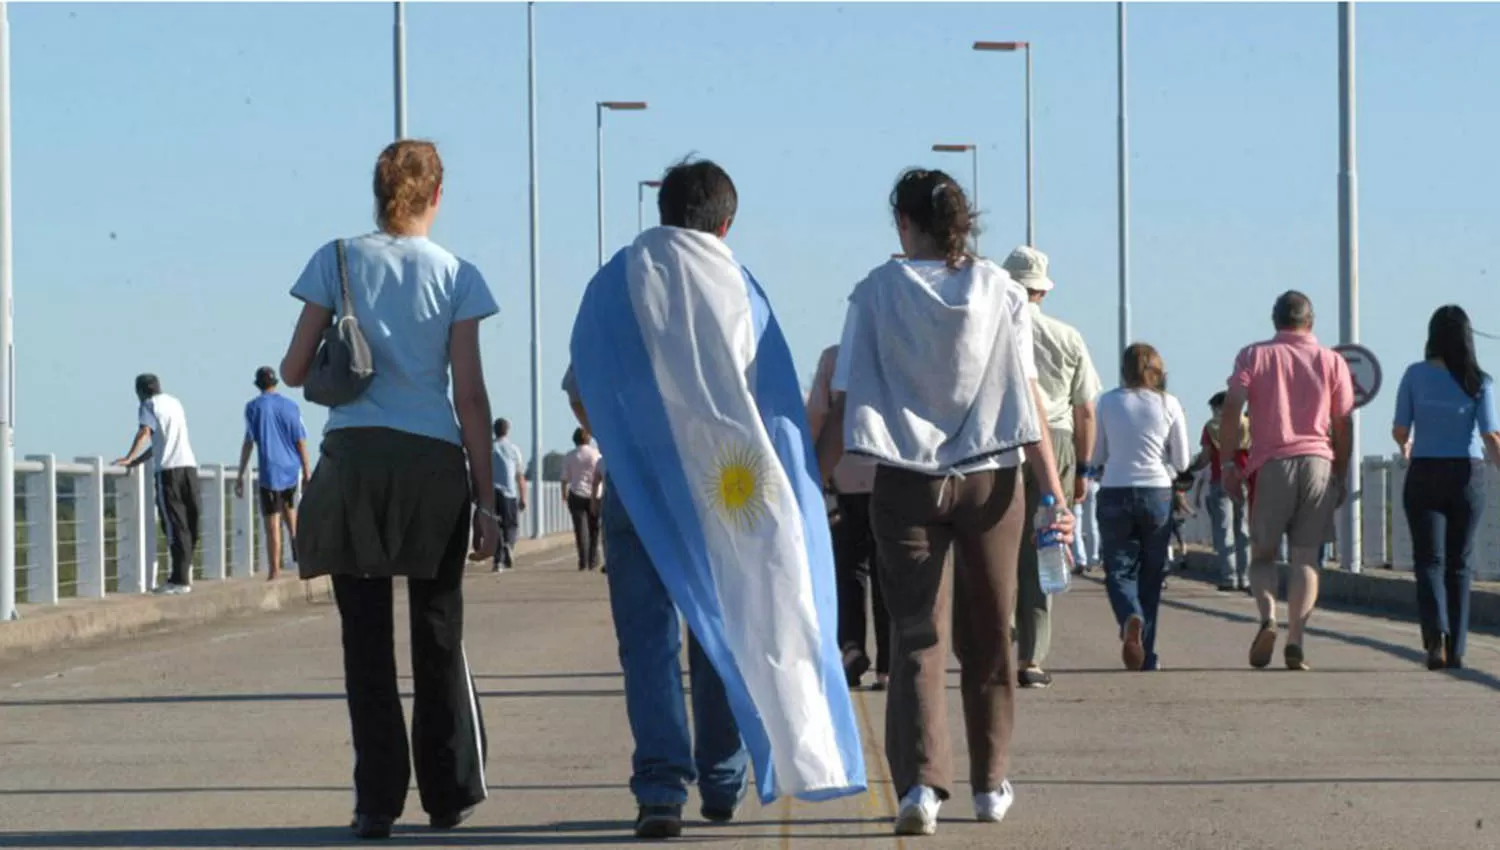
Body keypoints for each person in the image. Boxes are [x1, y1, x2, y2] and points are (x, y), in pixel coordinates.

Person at [565, 158, 864, 839]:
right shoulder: (741, 286)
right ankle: (723, 778)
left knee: (645, 641)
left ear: (661, 211)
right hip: (725, 486)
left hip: (638, 486)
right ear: (726, 223)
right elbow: (776, 402)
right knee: (722, 620)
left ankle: (661, 789)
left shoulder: (614, 282)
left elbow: (584, 381)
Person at [819, 168, 1072, 836]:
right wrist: (1054, 493)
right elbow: (1028, 397)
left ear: (903, 223)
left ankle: (921, 790)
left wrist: (810, 478)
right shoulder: (1002, 290)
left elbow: (843, 399)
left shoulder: (875, 292)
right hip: (994, 477)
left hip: (905, 478)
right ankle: (990, 784)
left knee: (917, 638)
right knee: (991, 632)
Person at [278, 140, 499, 840]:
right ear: (438, 196)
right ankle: (447, 793)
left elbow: (290, 369)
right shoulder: (459, 274)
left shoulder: (335, 259)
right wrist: (488, 499)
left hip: (355, 463)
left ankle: (376, 800)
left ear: (378, 196)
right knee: (438, 633)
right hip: (433, 463)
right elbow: (469, 394)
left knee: (364, 641)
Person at [1219, 291, 1354, 672]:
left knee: (1262, 555)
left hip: (1271, 464)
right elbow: (1342, 422)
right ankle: (1296, 639)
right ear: (1310, 321)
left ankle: (1268, 617)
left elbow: (1232, 405)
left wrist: (1229, 462)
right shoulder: (1332, 360)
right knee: (1306, 559)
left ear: (1274, 320)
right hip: (1317, 462)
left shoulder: (1254, 355)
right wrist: (1340, 473)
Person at [999, 245, 1101, 689]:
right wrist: (1082, 468)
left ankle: (997, 642)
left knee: (997, 546)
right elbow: (1086, 411)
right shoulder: (1067, 336)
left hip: (1001, 442)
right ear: (1041, 291)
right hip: (1056, 440)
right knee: (1044, 547)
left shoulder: (992, 331)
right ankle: (1032, 657)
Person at [1391, 305, 1500, 671]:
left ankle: (1434, 640)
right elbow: (1490, 435)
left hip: (1425, 471)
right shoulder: (1479, 381)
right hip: (1468, 475)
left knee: (1429, 561)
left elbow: (1400, 429)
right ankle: (1458, 648)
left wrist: (1406, 442)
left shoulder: (1414, 374)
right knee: (1461, 562)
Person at [1089, 343, 1190, 671]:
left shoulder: (1107, 401)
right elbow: (1182, 460)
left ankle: (1128, 614)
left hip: (1115, 490)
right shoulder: (1169, 404)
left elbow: (1097, 455)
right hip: (1156, 493)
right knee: (1151, 574)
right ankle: (1146, 653)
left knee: (1118, 569)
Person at [807, 343, 889, 690]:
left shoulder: (833, 357)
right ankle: (888, 665)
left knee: (848, 568)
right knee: (889, 572)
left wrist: (813, 470)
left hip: (844, 475)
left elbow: (816, 416)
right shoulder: (896, 349)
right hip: (891, 475)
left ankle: (851, 647)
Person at [113, 374, 200, 595]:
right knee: (191, 524)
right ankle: (184, 575)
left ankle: (178, 580)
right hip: (189, 467)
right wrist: (138, 460)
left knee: (174, 524)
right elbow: (161, 442)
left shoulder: (148, 405)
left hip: (169, 472)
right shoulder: (175, 403)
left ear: (139, 391)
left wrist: (129, 456)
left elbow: (146, 432)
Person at [234, 367, 312, 581]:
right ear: (276, 383)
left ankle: (274, 572)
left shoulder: (253, 407)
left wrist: (241, 474)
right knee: (291, 518)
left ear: (258, 384)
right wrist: (307, 471)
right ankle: (303, 562)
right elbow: (301, 441)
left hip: (270, 471)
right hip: (290, 468)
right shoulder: (291, 406)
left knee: (272, 525)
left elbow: (249, 442)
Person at [1189, 392, 1251, 592]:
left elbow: (1206, 457)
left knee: (1224, 530)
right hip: (1246, 480)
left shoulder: (1212, 427)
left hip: (1222, 480)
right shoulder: (1251, 424)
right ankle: (1246, 577)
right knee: (1244, 529)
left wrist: (1188, 469)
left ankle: (1229, 576)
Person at [561, 428, 602, 571]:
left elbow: (565, 478)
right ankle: (593, 559)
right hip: (594, 495)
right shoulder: (596, 454)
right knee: (594, 528)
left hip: (576, 493)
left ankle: (582, 561)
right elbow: (600, 475)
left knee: (580, 529)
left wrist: (563, 494)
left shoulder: (569, 456)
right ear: (588, 439)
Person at [490, 418, 527, 571]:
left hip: (491, 492)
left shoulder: (489, 448)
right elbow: (520, 476)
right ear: (507, 430)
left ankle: (497, 562)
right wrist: (523, 496)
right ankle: (508, 546)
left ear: (494, 430)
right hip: (509, 493)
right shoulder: (513, 449)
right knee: (511, 525)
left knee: (495, 525)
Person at [1071, 468, 1102, 574]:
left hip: (1074, 482)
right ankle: (1093, 560)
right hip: (1092, 481)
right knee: (1091, 524)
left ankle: (1080, 561)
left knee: (1075, 527)